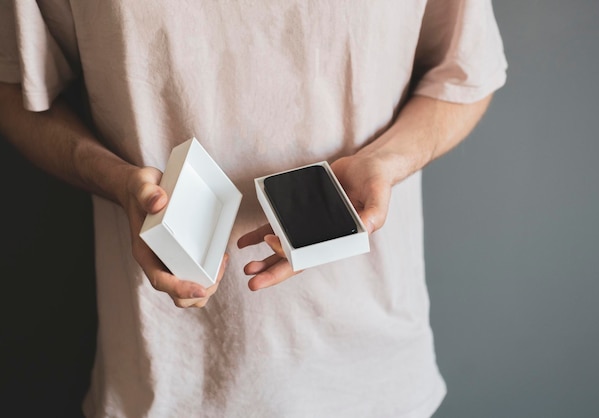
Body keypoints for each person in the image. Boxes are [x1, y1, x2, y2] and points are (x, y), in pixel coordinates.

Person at [0, 1, 507, 417]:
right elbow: (16, 89)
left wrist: (385, 161)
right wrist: (116, 182)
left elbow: (466, 74)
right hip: (164, 384)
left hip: (372, 378)